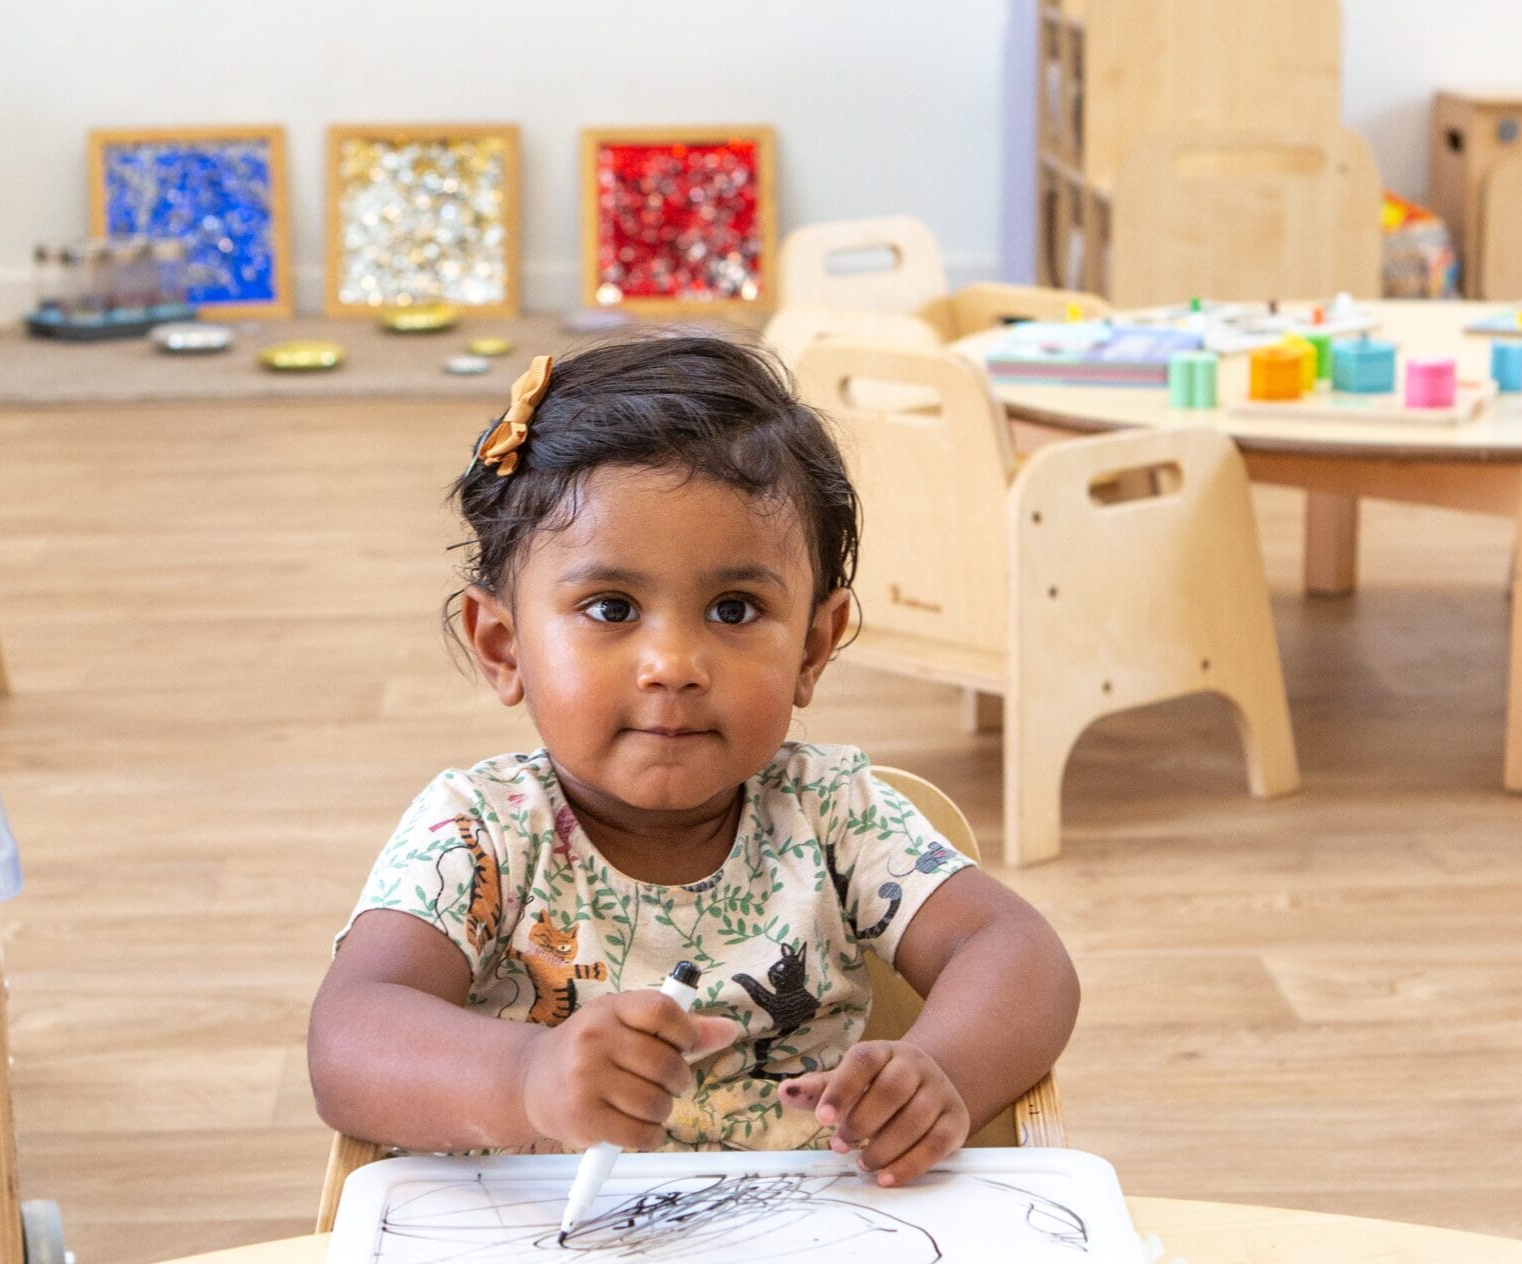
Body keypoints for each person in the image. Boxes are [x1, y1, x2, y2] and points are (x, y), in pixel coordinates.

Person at [309, 333, 1077, 1186]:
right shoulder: (479, 833)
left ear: (815, 646)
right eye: (611, 606)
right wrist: (526, 1078)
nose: (673, 662)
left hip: (814, 1256)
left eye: (736, 609)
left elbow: (1017, 952)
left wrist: (940, 1076)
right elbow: (350, 1036)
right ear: (503, 644)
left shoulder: (832, 813)